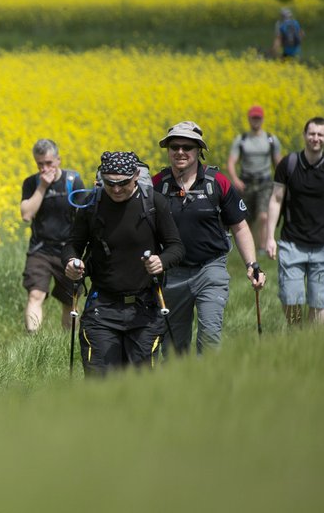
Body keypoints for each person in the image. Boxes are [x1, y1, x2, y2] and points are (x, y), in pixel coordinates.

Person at [62, 151, 184, 376]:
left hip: (145, 308)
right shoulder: (91, 204)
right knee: (99, 384)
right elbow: (73, 245)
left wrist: (161, 261)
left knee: (141, 385)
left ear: (136, 175)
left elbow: (176, 247)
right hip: (102, 309)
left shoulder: (154, 203)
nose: (116, 189)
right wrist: (71, 262)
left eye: (123, 183)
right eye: (109, 183)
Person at [153, 121, 266, 356]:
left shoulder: (218, 182)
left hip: (210, 269)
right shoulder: (157, 185)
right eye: (174, 146)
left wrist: (252, 265)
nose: (180, 152)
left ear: (198, 150)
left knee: (210, 337)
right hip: (172, 273)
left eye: (187, 147)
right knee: (173, 347)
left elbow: (240, 226)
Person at [265, 117, 324, 326]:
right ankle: (296, 334)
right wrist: (269, 238)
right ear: (304, 135)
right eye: (312, 134)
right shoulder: (288, 164)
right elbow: (276, 199)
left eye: (320, 134)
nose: (315, 138)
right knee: (290, 298)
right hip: (292, 243)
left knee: (319, 302)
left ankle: (312, 343)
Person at [20, 139, 85, 333]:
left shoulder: (72, 181)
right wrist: (42, 187)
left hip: (68, 250)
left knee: (70, 301)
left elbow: (83, 215)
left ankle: (68, 342)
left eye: (48, 163)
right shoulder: (31, 183)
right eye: (40, 164)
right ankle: (33, 342)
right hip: (41, 249)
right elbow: (26, 214)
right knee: (35, 295)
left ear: (58, 160)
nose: (44, 168)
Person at [227, 105, 283, 255]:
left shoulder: (271, 139)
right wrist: (235, 179)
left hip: (264, 182)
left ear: (262, 119)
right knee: (246, 219)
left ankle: (263, 247)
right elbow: (231, 162)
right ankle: (249, 247)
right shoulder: (242, 140)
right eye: (253, 118)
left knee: (264, 216)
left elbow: (278, 162)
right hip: (246, 183)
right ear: (249, 119)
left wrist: (282, 181)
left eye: (258, 118)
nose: (256, 121)